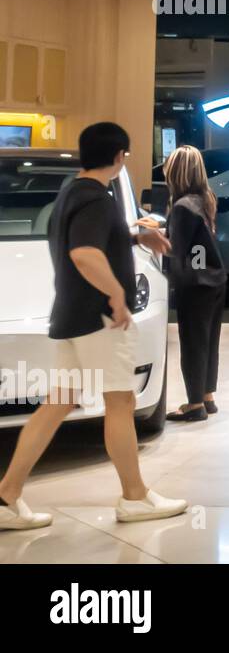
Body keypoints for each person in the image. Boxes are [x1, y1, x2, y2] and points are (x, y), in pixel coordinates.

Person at [0, 122, 188, 531]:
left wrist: (136, 238)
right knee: (119, 403)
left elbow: (94, 240)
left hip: (70, 316)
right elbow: (85, 252)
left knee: (56, 404)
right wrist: (117, 296)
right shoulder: (97, 199)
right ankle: (134, 497)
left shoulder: (72, 191)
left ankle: (7, 495)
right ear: (120, 157)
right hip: (99, 321)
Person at [160, 145, 227, 422]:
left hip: (195, 284)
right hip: (215, 279)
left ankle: (194, 403)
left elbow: (177, 249)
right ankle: (207, 396)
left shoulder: (181, 207)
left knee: (193, 343)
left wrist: (151, 236)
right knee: (209, 340)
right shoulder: (205, 200)